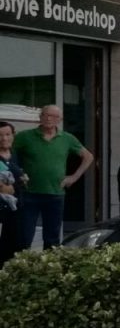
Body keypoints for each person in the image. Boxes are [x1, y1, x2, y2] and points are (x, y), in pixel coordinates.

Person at [13, 105, 94, 249]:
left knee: (52, 239)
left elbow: (88, 156)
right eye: (46, 115)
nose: (49, 118)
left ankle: (48, 269)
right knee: (23, 236)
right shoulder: (24, 137)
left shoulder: (67, 139)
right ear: (40, 117)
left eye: (54, 116)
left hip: (55, 194)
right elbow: (8, 155)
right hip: (29, 193)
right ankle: (21, 268)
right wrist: (18, 173)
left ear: (60, 120)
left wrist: (74, 177)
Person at [0, 121, 26, 266]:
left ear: (13, 135)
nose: (4, 138)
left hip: (16, 210)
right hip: (1, 209)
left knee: (14, 247)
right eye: (0, 135)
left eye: (7, 134)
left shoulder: (16, 155)